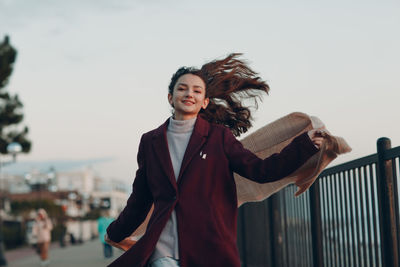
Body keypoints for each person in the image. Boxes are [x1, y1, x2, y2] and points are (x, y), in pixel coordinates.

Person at [106, 53, 324, 267]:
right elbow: (140, 198)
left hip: (210, 247)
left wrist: (306, 144)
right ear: (171, 97)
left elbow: (261, 170)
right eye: (182, 88)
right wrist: (114, 232)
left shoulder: (219, 137)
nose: (189, 94)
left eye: (196, 90)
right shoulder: (150, 141)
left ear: (204, 101)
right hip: (164, 249)